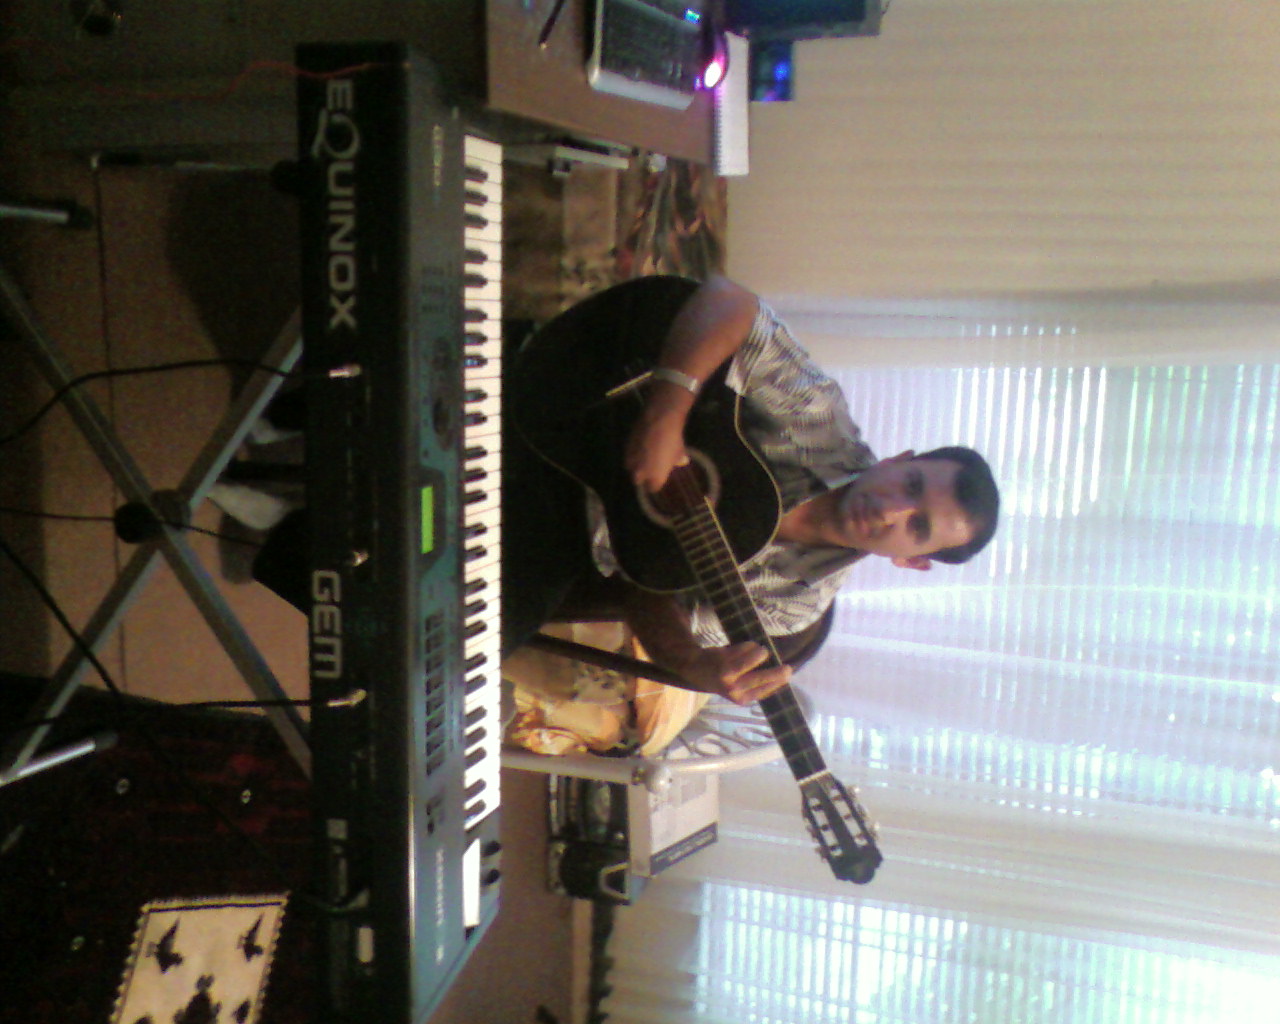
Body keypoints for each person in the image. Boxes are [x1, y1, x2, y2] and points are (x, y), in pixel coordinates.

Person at [498, 274, 1000, 706]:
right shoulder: (819, 420)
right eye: (911, 484)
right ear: (900, 460)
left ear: (911, 561)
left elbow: (651, 601)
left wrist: (695, 664)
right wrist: (667, 413)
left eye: (917, 526)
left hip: (563, 541)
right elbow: (730, 300)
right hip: (575, 402)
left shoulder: (796, 602)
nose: (891, 509)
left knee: (466, 646)